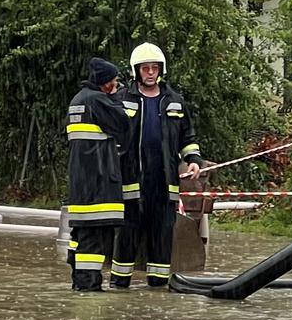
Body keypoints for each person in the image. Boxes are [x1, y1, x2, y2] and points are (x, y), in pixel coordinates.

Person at [112, 42, 202, 289]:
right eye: (145, 68)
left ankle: (158, 289)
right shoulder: (122, 100)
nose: (150, 73)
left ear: (161, 70)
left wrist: (193, 160)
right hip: (131, 182)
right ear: (136, 71)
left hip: (164, 184)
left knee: (162, 238)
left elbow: (188, 138)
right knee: (127, 237)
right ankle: (119, 287)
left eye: (154, 68)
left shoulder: (175, 101)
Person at [65, 57, 129, 292]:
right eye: (114, 82)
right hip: (99, 184)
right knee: (93, 242)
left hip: (81, 186)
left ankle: (78, 283)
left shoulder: (78, 100)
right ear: (104, 83)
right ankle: (89, 290)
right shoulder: (97, 100)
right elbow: (123, 124)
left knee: (80, 238)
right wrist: (118, 100)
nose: (116, 85)